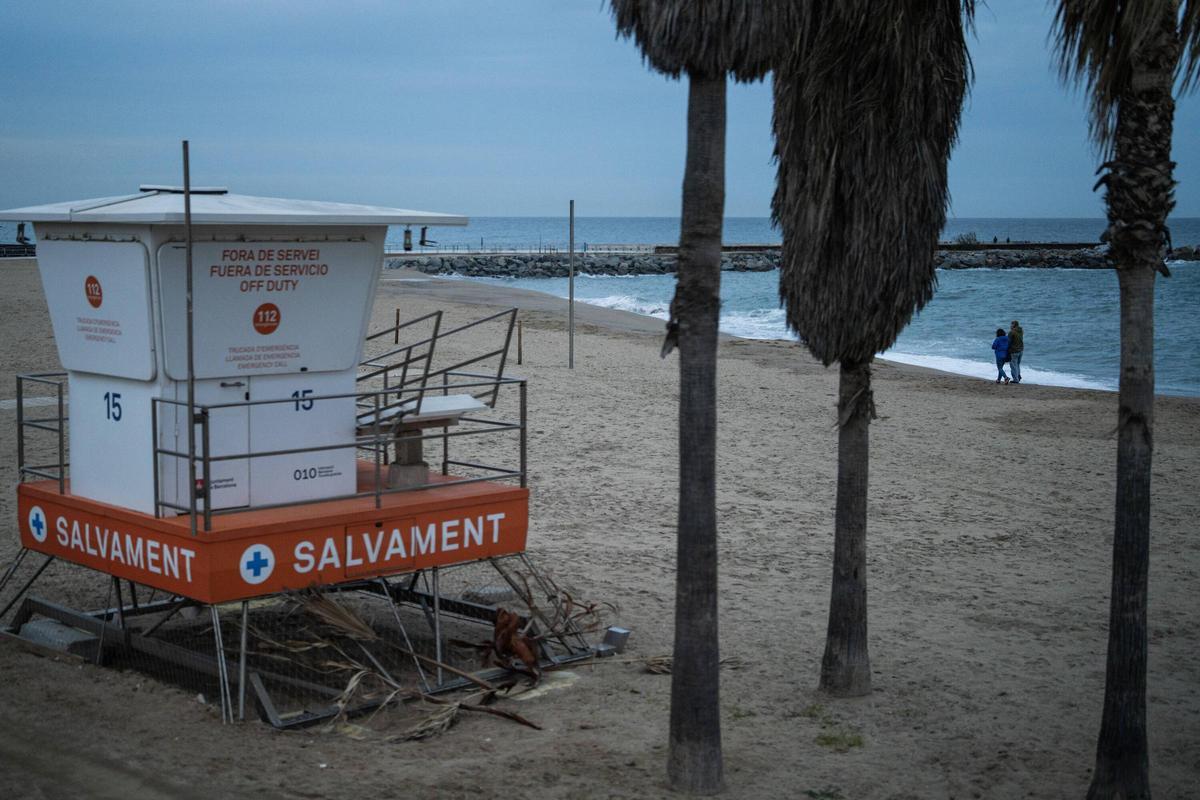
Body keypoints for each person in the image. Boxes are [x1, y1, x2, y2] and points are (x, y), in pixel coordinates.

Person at [1007, 320, 1024, 384]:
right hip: (1021, 350)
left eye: (1011, 324)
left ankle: (1016, 379)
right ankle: (1018, 376)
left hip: (1014, 351)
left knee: (1013, 365)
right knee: (1017, 364)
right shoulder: (1021, 331)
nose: (1010, 325)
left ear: (1014, 325)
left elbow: (1008, 342)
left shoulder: (1012, 332)